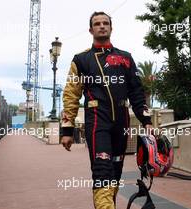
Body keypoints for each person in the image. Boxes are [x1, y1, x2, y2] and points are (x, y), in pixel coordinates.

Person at [60, 11, 153, 209]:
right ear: (90, 29)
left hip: (122, 123)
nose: (101, 26)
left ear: (111, 27)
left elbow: (136, 92)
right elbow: (71, 95)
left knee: (116, 171)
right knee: (102, 169)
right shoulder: (81, 60)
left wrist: (147, 122)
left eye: (105, 23)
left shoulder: (126, 58)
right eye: (97, 23)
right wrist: (67, 130)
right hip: (97, 121)